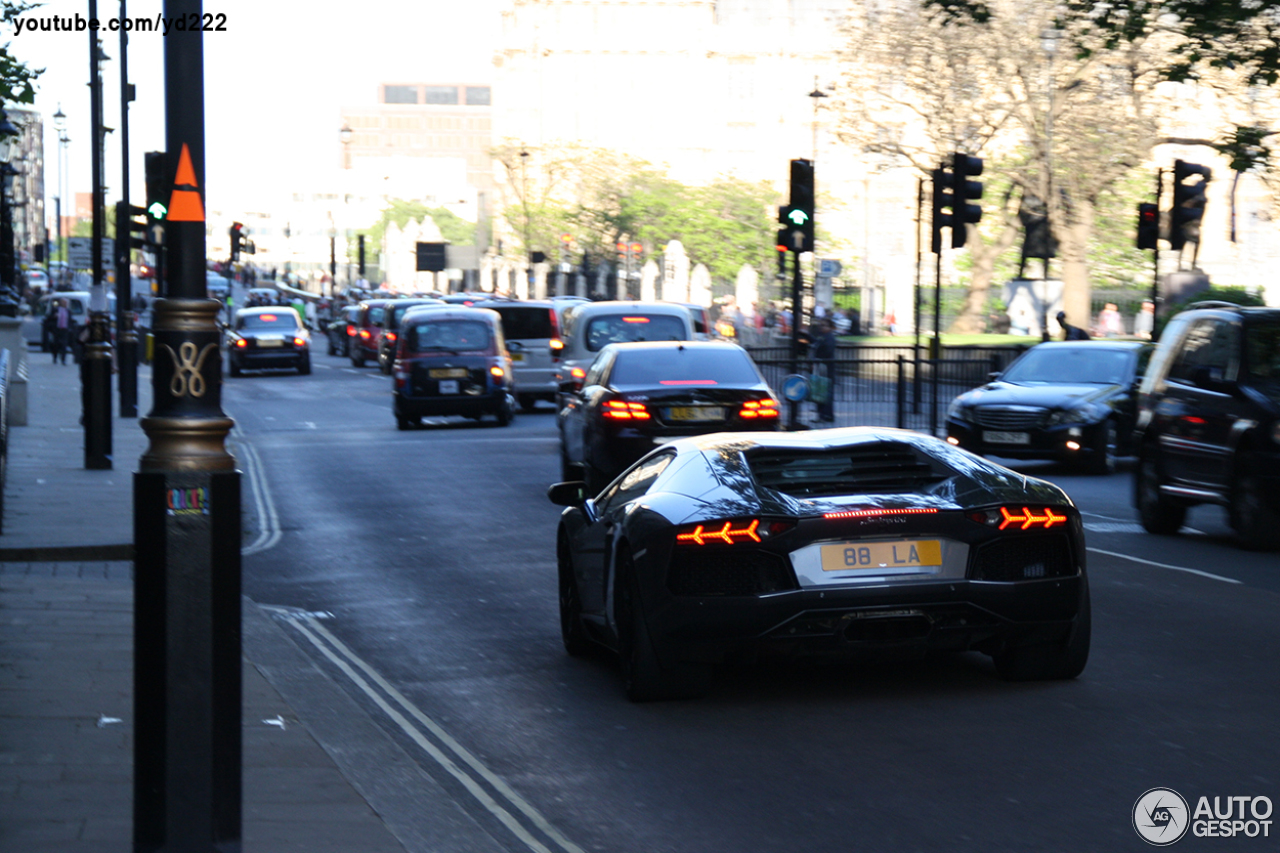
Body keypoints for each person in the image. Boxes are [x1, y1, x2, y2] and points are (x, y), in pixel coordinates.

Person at [810, 317, 838, 423]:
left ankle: (825, 415)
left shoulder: (829, 338)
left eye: (824, 325)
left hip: (826, 368)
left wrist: (818, 360)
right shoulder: (823, 337)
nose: (821, 327)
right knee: (821, 392)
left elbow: (827, 350)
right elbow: (817, 343)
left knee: (825, 392)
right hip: (822, 368)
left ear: (830, 327)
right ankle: (823, 414)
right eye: (821, 325)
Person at [46, 298, 73, 364]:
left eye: (66, 303)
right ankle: (55, 357)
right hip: (57, 329)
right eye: (64, 303)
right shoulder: (56, 310)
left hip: (64, 329)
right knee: (56, 344)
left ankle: (63, 359)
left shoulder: (68, 311)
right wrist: (54, 316)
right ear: (61, 303)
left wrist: (70, 328)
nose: (65, 304)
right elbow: (49, 318)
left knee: (64, 344)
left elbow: (70, 320)